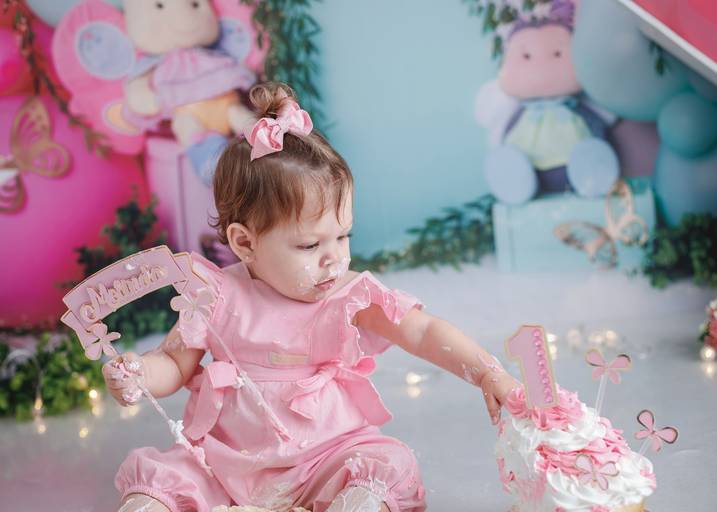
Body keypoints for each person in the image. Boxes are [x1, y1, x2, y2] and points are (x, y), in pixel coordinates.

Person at [104, 82, 520, 512]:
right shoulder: (215, 294)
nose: (333, 258)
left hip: (326, 455)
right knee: (161, 487)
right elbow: (175, 364)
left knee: (383, 467)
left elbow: (422, 331)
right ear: (245, 243)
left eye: (343, 236)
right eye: (309, 245)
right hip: (226, 463)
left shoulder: (348, 295)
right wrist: (140, 373)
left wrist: (486, 372)